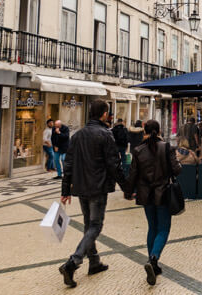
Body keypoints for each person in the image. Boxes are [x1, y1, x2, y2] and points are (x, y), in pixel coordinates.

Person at [59, 100, 124, 288]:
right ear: (104, 114)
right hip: (98, 187)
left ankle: (94, 262)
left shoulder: (77, 135)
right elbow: (114, 164)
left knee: (88, 225)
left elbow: (68, 164)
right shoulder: (105, 134)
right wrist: (127, 187)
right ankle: (73, 262)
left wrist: (65, 190)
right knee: (95, 226)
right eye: (108, 113)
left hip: (80, 187)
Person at [123, 119, 182, 285]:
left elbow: (133, 174)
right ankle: (154, 259)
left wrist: (128, 191)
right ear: (159, 131)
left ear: (144, 131)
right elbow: (177, 169)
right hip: (163, 194)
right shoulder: (166, 147)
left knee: (152, 228)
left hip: (145, 194)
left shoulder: (138, 150)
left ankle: (152, 264)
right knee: (163, 229)